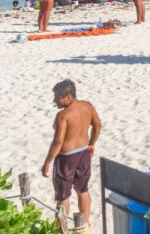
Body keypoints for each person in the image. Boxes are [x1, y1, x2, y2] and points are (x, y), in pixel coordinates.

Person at [42, 80, 100, 224]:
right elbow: (97, 125)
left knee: (63, 196)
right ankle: (84, 225)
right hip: (84, 153)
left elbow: (58, 142)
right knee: (83, 190)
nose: (55, 101)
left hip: (66, 158)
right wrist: (91, 143)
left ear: (68, 97)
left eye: (57, 98)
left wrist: (47, 162)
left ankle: (60, 229)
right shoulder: (88, 106)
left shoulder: (63, 115)